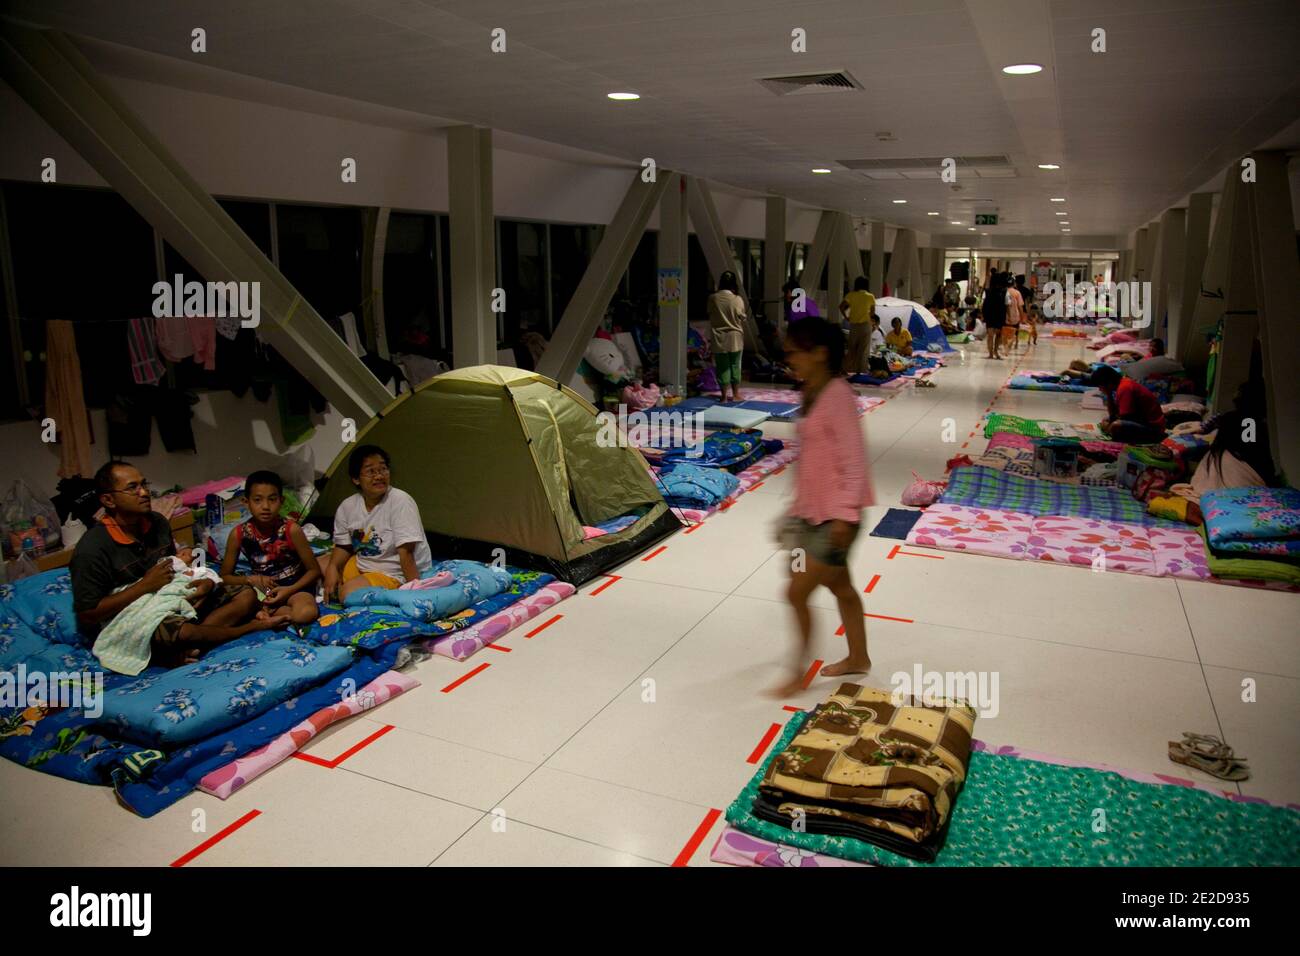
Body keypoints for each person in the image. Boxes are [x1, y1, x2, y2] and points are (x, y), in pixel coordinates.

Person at [71, 461, 264, 669]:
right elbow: (88, 614)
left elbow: (178, 566)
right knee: (182, 631)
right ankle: (246, 629)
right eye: (132, 488)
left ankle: (189, 646)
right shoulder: (92, 549)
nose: (144, 492)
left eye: (144, 484)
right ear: (108, 499)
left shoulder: (157, 522)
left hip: (171, 598)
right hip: (134, 618)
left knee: (246, 595)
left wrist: (205, 583)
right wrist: (144, 586)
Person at [775, 319, 874, 696]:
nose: (789, 359)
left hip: (836, 518)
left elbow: (852, 459)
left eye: (794, 351)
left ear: (820, 353)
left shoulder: (838, 397)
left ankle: (797, 673)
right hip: (810, 513)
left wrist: (846, 517)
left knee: (796, 592)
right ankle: (858, 658)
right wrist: (794, 509)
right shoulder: (811, 390)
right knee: (840, 587)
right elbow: (813, 457)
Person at [323, 445, 434, 601]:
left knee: (348, 593)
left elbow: (407, 554)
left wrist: (416, 594)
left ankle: (390, 592)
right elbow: (343, 546)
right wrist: (333, 568)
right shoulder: (347, 507)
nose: (379, 476)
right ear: (356, 479)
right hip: (364, 564)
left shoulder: (400, 501)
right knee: (321, 565)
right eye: (370, 471)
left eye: (383, 469)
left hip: (394, 573)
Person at [220, 470, 321, 627]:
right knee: (235, 607)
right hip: (264, 591)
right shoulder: (238, 534)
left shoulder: (291, 529)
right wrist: (250, 579)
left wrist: (289, 590)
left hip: (294, 587)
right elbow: (224, 577)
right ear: (246, 502)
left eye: (272, 500)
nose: (265, 506)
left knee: (306, 614)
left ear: (281, 501)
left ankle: (269, 615)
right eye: (258, 500)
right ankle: (272, 613)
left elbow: (314, 571)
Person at [1093, 365, 1166, 444]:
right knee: (1106, 420)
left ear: (1108, 382)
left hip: (1154, 429)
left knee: (1115, 426)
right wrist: (1108, 394)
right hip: (1141, 421)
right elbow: (1113, 415)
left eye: (1100, 386)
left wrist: (1109, 427)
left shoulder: (1125, 388)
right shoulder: (1122, 384)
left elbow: (1125, 418)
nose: (1100, 389)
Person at [708, 270, 747, 403]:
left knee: (722, 367)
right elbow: (742, 316)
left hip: (719, 337)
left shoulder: (713, 298)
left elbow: (710, 313)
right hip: (735, 337)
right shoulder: (738, 299)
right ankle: (736, 395)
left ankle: (724, 396)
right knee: (735, 365)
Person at [839, 277, 877, 374]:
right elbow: (872, 312)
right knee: (864, 349)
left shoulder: (851, 295)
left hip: (854, 325)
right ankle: (862, 371)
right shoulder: (870, 296)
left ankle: (847, 368)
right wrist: (869, 318)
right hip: (865, 325)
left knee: (852, 348)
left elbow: (841, 307)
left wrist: (847, 317)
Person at [982, 272, 1006, 358]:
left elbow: (984, 302)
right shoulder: (1003, 291)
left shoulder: (989, 290)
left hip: (990, 312)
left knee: (991, 334)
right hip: (999, 313)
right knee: (997, 334)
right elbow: (1006, 304)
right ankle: (995, 352)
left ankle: (991, 353)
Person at [1004, 273, 1024, 352]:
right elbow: (1020, 306)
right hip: (1015, 316)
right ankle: (1014, 344)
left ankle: (1005, 345)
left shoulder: (1004, 291)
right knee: (1015, 331)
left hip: (1005, 316)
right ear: (1014, 283)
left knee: (1006, 331)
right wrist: (1022, 317)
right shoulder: (1017, 293)